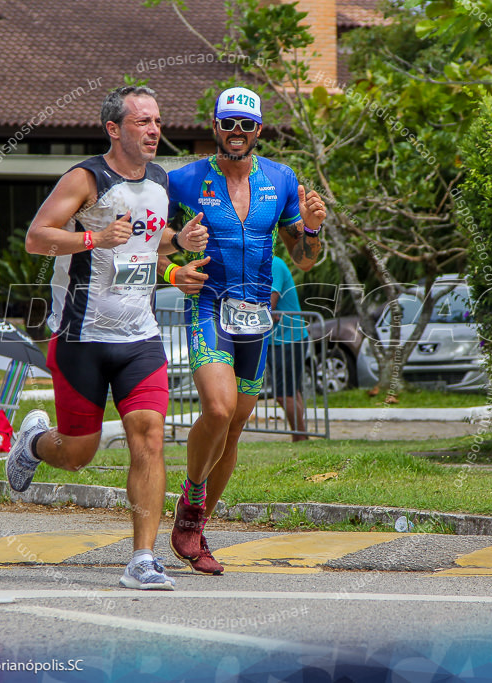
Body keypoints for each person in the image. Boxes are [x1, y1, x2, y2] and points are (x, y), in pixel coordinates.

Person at [5, 86, 208, 591]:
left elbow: (147, 242)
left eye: (158, 121)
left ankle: (143, 558)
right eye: (142, 121)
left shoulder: (160, 182)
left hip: (140, 337)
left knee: (150, 438)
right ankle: (32, 442)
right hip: (81, 337)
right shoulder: (86, 178)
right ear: (114, 129)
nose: (154, 130)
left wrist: (177, 254)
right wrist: (93, 237)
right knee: (79, 454)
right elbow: (36, 236)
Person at [159, 87, 325, 575]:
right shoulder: (183, 180)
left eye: (246, 125)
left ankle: (196, 530)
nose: (236, 133)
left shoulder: (282, 177)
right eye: (227, 123)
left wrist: (313, 230)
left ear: (258, 130)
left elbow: (304, 260)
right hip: (209, 306)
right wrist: (174, 266)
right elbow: (147, 245)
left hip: (256, 317)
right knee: (218, 406)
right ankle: (190, 501)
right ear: (214, 126)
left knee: (232, 431)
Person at [269, 255, 310, 441]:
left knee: (284, 394)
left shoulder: (274, 264)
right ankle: (301, 435)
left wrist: (266, 312)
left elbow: (270, 305)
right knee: (291, 391)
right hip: (278, 339)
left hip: (288, 339)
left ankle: (300, 437)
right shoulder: (262, 265)